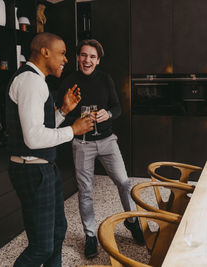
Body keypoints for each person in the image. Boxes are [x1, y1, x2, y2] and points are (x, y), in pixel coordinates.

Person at [5, 32, 93, 266]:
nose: (66, 59)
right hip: (32, 171)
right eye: (62, 53)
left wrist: (63, 110)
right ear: (45, 52)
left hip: (44, 168)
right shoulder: (31, 82)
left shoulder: (36, 81)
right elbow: (33, 138)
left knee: (57, 231)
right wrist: (73, 130)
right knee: (41, 247)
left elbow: (39, 128)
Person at [58, 39, 144, 259]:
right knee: (85, 191)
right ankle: (90, 235)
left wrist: (109, 114)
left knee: (124, 181)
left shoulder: (105, 79)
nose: (88, 60)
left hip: (107, 140)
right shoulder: (68, 81)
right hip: (82, 143)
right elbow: (61, 113)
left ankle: (132, 221)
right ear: (78, 57)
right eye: (84, 55)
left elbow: (118, 107)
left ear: (98, 60)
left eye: (92, 57)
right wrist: (71, 116)